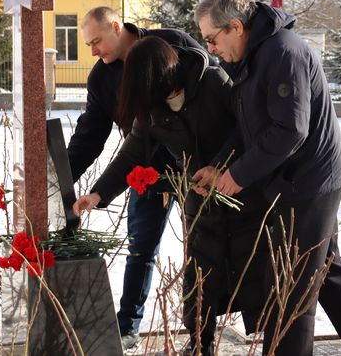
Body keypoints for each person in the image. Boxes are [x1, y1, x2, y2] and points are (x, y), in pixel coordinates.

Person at [192, 0, 341, 356]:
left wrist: (238, 175)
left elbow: (290, 129)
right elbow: (249, 127)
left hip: (308, 183)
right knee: (329, 276)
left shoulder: (282, 51)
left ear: (236, 27)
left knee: (290, 285)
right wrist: (221, 165)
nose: (210, 49)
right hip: (294, 179)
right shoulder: (255, 55)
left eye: (212, 39)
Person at [73, 36, 268, 356]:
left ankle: (274, 341)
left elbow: (247, 127)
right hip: (198, 197)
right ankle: (200, 344)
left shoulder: (212, 81)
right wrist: (98, 194)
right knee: (199, 272)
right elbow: (131, 154)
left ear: (157, 76)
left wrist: (221, 167)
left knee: (254, 268)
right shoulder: (152, 106)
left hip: (239, 188)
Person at [63, 7, 205, 350]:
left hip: (198, 170)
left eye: (96, 41)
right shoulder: (101, 78)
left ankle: (201, 333)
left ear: (117, 27)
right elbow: (91, 136)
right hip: (144, 173)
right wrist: (62, 178)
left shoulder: (169, 44)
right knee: (140, 249)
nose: (93, 51)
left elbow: (205, 101)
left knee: (201, 251)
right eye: (88, 45)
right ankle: (127, 327)